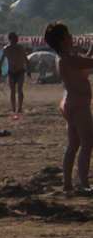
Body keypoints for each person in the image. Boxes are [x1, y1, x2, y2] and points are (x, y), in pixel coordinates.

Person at [47, 23, 93, 193]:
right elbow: (88, 63)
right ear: (62, 40)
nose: (72, 36)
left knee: (73, 144)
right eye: (68, 35)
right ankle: (83, 183)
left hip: (70, 103)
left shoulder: (63, 57)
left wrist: (91, 48)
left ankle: (67, 183)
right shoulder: (69, 59)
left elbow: (85, 66)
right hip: (79, 104)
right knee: (87, 143)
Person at [4, 32, 31, 114]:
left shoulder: (20, 48)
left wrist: (28, 70)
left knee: (19, 89)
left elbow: (26, 59)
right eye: (13, 39)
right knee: (12, 90)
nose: (15, 40)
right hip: (11, 72)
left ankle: (19, 108)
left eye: (16, 39)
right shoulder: (6, 49)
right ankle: (13, 108)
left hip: (20, 71)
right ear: (10, 39)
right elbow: (1, 60)